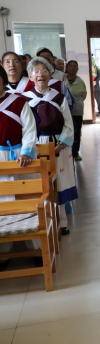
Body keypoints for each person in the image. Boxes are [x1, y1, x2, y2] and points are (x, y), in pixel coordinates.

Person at [22, 56, 77, 236]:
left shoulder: (59, 97)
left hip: (58, 144)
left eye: (44, 71)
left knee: (60, 183)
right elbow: (25, 127)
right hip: (37, 145)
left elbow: (69, 124)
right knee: (41, 185)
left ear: (50, 75)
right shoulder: (25, 100)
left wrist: (60, 145)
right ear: (30, 77)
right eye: (36, 72)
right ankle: (44, 222)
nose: (40, 75)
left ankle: (63, 222)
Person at [0, 65, 38, 270]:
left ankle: (37, 248)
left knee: (27, 200)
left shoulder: (18, 102)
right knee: (2, 204)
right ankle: (4, 252)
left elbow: (30, 130)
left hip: (19, 157)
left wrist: (26, 151)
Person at [64, 60, 88, 162]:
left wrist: (76, 101)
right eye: (70, 66)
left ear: (77, 69)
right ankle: (66, 152)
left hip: (77, 110)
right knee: (66, 130)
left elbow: (84, 95)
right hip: (65, 110)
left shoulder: (80, 81)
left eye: (75, 66)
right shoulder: (63, 80)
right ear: (67, 68)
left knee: (77, 131)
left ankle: (75, 152)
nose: (72, 68)